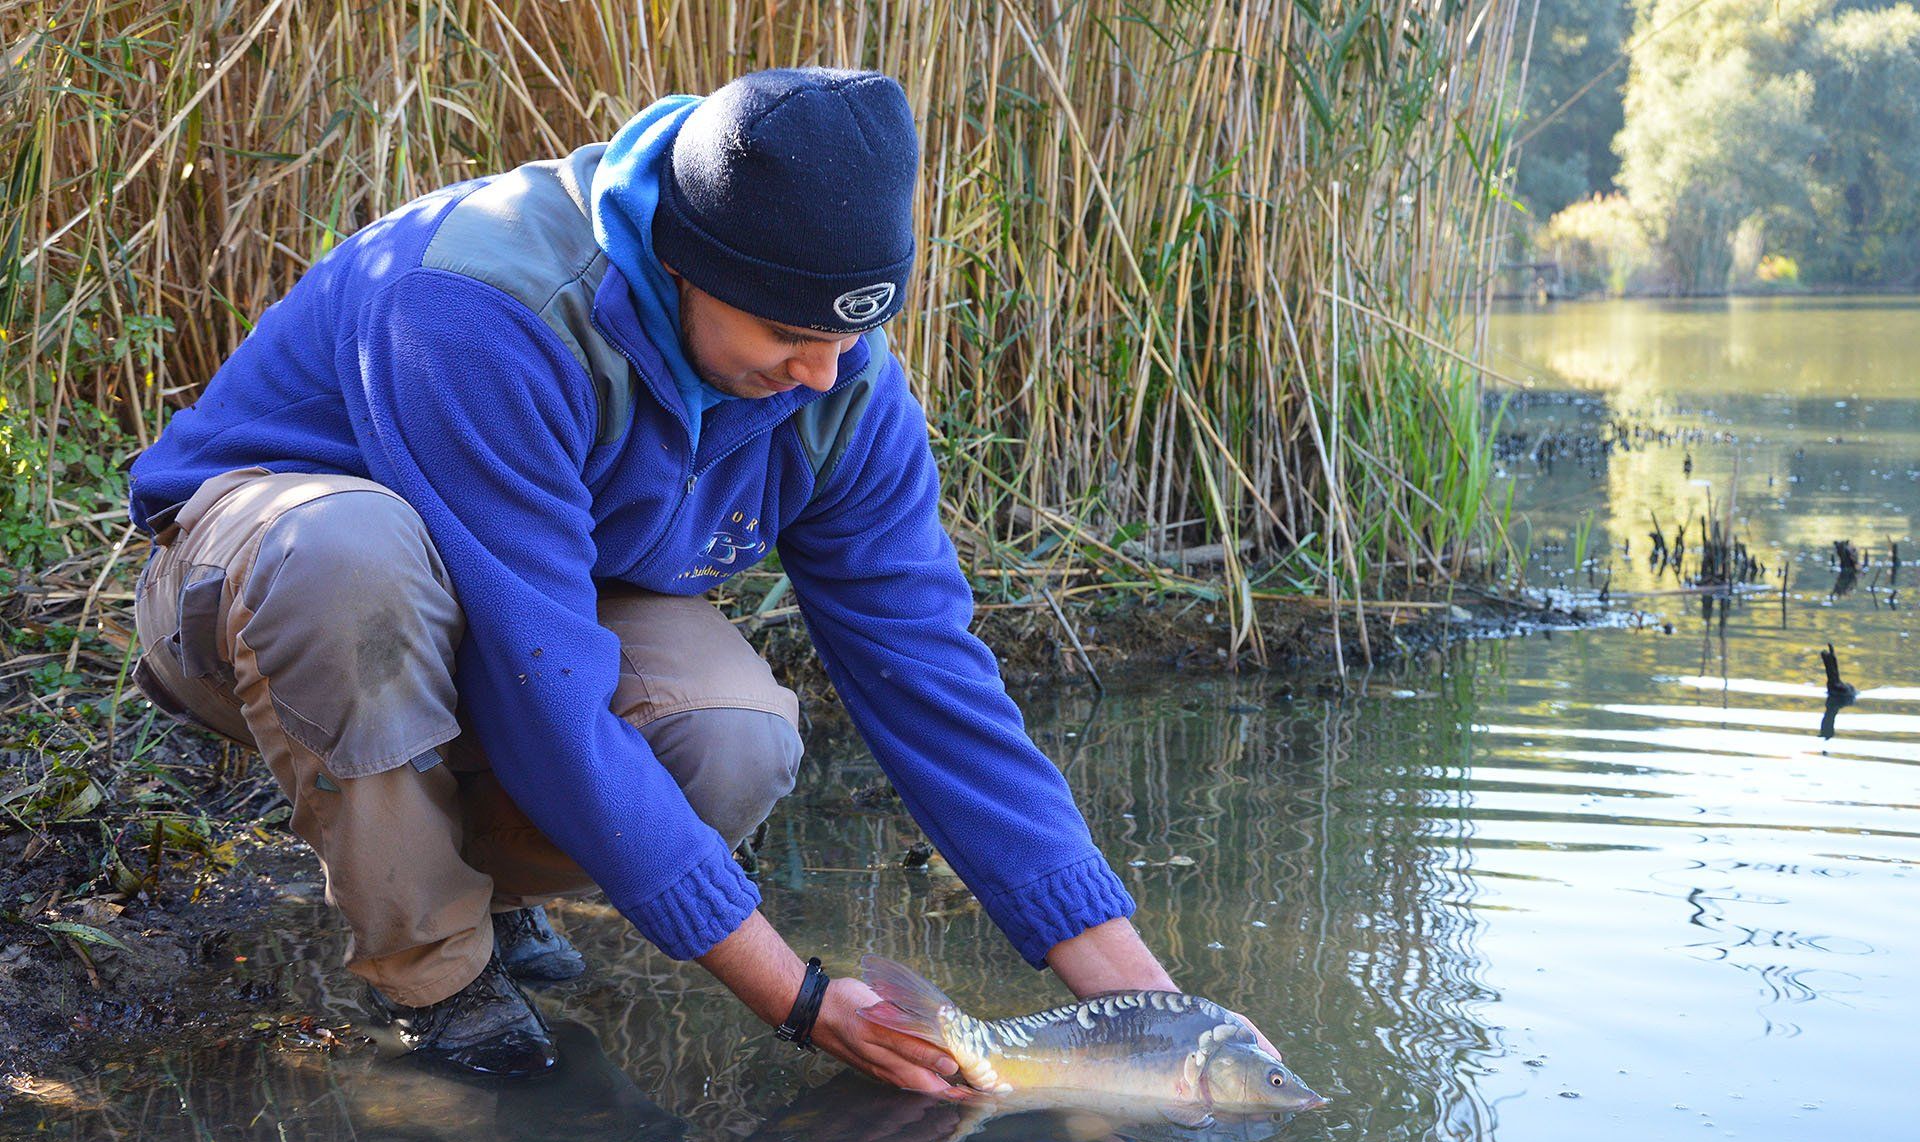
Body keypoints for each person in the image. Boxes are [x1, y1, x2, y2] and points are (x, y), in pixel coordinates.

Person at [126, 68, 1276, 1083]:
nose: (824, 375)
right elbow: (544, 688)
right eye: (789, 333)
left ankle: (496, 893)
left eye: (851, 337)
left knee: (735, 731)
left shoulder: (839, 381)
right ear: (686, 267)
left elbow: (929, 678)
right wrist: (799, 997)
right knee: (351, 560)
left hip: (518, 597)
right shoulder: (482, 308)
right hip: (262, 585)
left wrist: (1154, 1018)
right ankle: (438, 975)